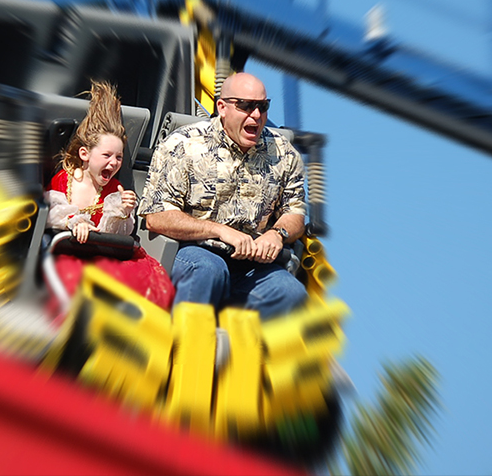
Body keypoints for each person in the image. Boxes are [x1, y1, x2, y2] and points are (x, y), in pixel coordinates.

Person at [139, 73, 307, 320]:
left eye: (263, 106)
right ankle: (184, 349)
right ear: (222, 107)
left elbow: (295, 212)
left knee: (290, 292)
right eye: (246, 106)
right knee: (208, 269)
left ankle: (243, 353)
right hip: (193, 252)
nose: (256, 115)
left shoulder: (284, 154)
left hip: (253, 266)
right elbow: (156, 216)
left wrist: (277, 234)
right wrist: (219, 231)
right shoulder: (184, 144)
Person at [45, 81, 174, 316]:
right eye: (106, 155)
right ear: (84, 154)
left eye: (118, 157)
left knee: (132, 282)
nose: (113, 163)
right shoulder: (66, 179)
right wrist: (76, 221)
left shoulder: (115, 187)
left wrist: (122, 213)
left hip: (102, 255)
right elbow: (53, 210)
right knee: (76, 282)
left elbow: (118, 234)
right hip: (71, 253)